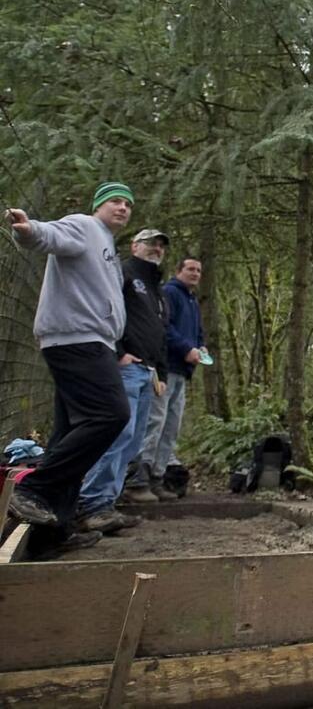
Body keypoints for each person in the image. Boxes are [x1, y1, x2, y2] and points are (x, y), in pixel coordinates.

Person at [4, 182, 134, 549]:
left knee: (67, 434)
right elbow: (48, 236)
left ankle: (51, 534)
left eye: (127, 203)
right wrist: (28, 229)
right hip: (77, 340)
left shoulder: (106, 242)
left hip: (91, 341)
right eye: (114, 201)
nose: (122, 207)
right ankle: (34, 490)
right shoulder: (84, 226)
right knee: (111, 415)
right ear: (98, 205)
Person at [75, 228, 170, 532]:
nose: (156, 248)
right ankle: (90, 503)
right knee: (118, 435)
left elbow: (160, 332)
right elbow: (105, 308)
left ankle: (105, 505)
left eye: (160, 245)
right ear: (134, 246)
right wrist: (119, 352)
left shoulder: (158, 289)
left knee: (132, 443)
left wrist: (161, 371)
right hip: (125, 367)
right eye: (150, 243)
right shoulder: (125, 273)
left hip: (147, 370)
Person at [126, 255, 204, 502]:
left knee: (171, 427)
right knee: (155, 422)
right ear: (179, 270)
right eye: (190, 269)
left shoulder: (192, 300)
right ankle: (139, 479)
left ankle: (158, 478)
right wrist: (185, 349)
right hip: (165, 368)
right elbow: (164, 328)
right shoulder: (170, 292)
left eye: (198, 270)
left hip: (183, 371)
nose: (195, 274)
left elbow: (197, 332)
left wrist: (200, 348)